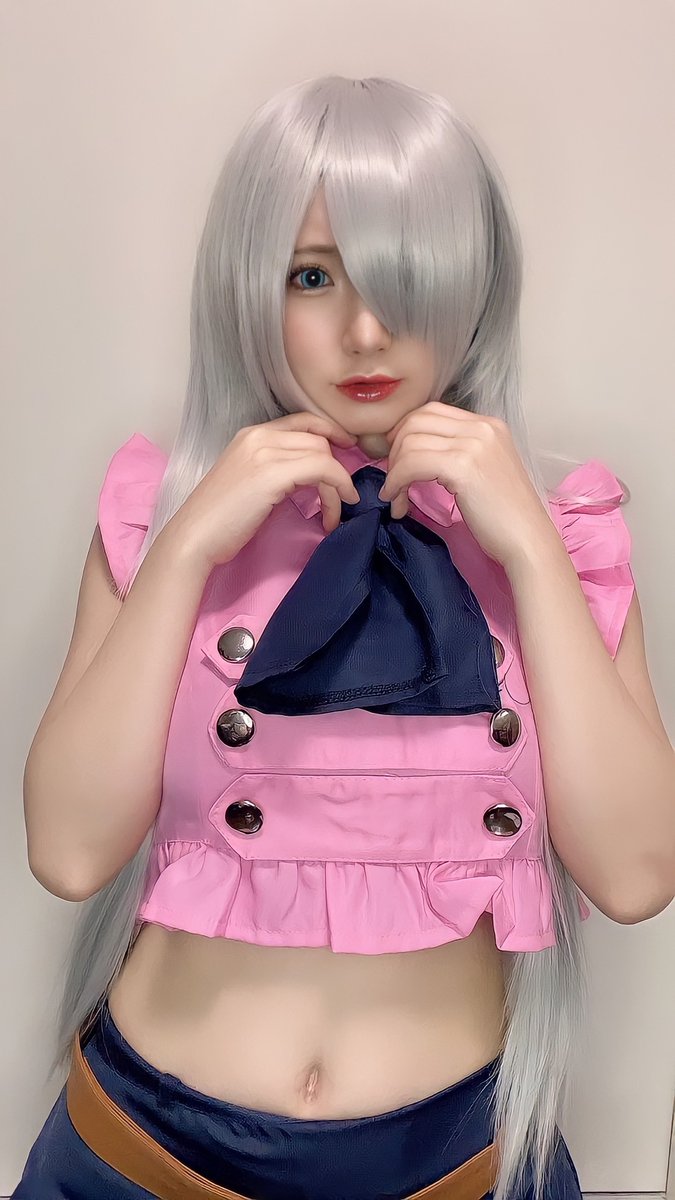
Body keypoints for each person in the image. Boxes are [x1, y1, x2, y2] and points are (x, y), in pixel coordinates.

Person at [14, 75, 674, 1200]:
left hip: (459, 1163)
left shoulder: (563, 534)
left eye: (409, 274)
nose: (366, 331)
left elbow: (636, 874)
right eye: (312, 276)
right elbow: (69, 853)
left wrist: (529, 551)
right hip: (141, 1153)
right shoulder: (160, 513)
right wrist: (187, 547)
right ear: (246, 281)